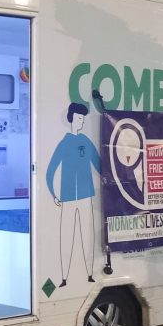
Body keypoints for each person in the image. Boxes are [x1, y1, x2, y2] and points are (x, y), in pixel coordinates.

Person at [46, 102, 100, 286]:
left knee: (88, 236)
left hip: (86, 196)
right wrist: (54, 194)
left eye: (83, 119)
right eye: (78, 118)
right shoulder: (64, 144)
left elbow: (99, 165)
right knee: (66, 236)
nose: (81, 122)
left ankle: (90, 274)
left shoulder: (86, 142)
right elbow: (50, 171)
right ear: (71, 118)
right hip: (67, 198)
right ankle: (64, 278)